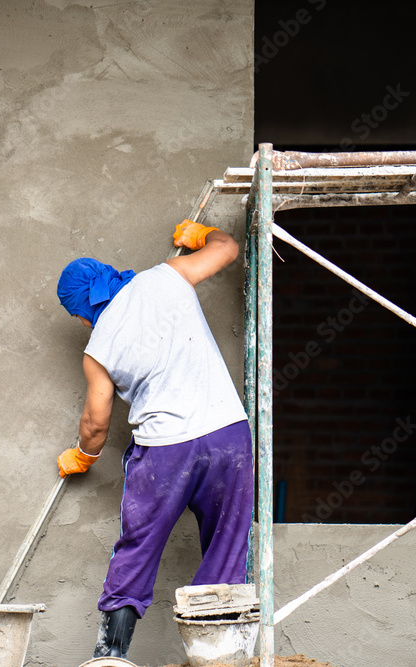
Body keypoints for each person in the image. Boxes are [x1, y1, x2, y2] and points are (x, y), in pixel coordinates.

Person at [55, 219, 254, 661]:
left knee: (138, 548)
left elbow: (96, 423)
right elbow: (227, 249)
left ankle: (111, 656)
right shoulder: (166, 275)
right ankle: (216, 657)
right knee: (227, 545)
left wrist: (83, 456)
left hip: (167, 451)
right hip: (229, 438)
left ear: (81, 308)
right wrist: (199, 235)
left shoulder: (98, 347)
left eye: (77, 315)